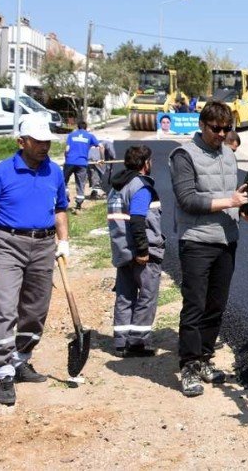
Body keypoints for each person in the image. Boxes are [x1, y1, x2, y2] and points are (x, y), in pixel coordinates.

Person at [0, 115, 71, 406]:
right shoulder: (0, 172)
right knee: (5, 307)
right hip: (8, 244)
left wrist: (63, 241)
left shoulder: (54, 172)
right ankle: (2, 371)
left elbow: (61, 209)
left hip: (43, 245)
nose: (44, 146)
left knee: (36, 309)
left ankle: (20, 358)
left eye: (47, 141)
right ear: (21, 142)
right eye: (38, 141)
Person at [169, 101, 248, 397]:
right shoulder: (183, 155)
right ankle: (188, 366)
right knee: (195, 305)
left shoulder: (229, 155)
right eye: (216, 129)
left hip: (227, 240)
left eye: (227, 129)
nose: (221, 134)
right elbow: (187, 200)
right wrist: (230, 202)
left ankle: (204, 358)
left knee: (216, 305)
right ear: (202, 125)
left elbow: (235, 196)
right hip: (197, 241)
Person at [108, 145, 164, 357]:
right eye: (151, 161)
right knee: (147, 296)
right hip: (141, 253)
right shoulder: (140, 187)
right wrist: (143, 250)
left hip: (122, 250)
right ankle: (137, 342)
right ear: (145, 163)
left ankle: (121, 342)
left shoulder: (116, 187)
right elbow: (138, 220)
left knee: (125, 295)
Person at [64, 119, 100, 211]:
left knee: (64, 180)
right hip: (82, 163)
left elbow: (67, 149)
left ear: (77, 127)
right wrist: (101, 159)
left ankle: (65, 194)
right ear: (86, 128)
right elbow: (100, 146)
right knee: (80, 183)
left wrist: (66, 159)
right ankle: (79, 204)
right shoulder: (90, 136)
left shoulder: (71, 135)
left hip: (70, 162)